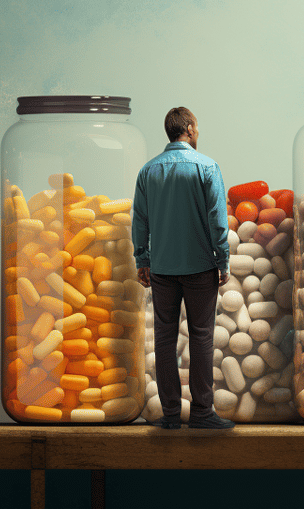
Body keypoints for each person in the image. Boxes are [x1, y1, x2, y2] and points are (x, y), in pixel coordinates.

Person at [132, 106, 233, 429]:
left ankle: (171, 414)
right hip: (201, 266)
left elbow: (140, 221)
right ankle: (202, 412)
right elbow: (217, 221)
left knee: (164, 339)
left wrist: (142, 259)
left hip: (162, 268)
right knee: (201, 337)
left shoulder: (148, 171)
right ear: (189, 129)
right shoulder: (207, 167)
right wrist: (223, 260)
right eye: (197, 127)